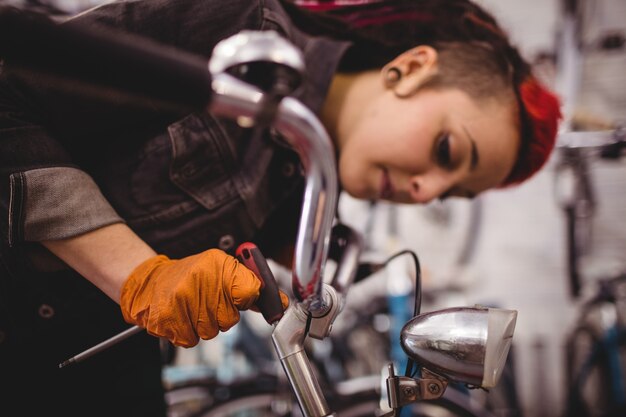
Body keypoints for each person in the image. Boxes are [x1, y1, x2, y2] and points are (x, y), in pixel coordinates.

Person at [0, 0, 561, 415]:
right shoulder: (240, 27)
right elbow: (11, 87)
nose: (426, 192)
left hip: (97, 359)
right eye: (447, 150)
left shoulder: (312, 194)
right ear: (409, 69)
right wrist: (138, 275)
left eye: (452, 192)